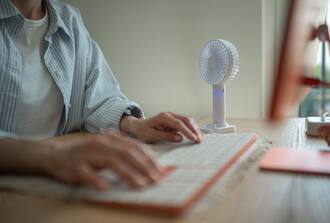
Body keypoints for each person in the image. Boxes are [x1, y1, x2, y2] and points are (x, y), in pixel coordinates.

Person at [0, 0, 203, 190]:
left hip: (55, 184)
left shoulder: (69, 20)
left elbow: (98, 98)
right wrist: (53, 156)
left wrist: (132, 123)